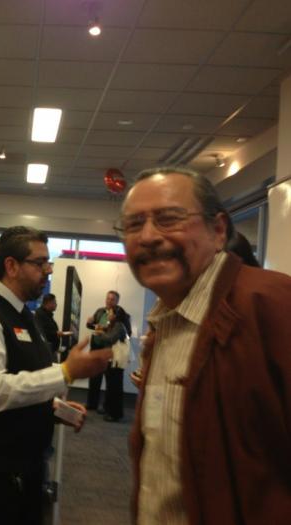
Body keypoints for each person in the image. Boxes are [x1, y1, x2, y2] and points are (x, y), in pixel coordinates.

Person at [117, 166, 291, 524]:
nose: (148, 236)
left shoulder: (274, 306)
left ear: (218, 230)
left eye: (168, 219)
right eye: (133, 225)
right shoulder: (166, 322)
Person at [0, 226, 113, 525]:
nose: (48, 270)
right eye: (40, 263)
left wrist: (54, 408)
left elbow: (23, 378)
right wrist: (66, 371)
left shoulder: (25, 316)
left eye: (48, 262)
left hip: (23, 470)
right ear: (11, 266)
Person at [85, 290, 131, 412]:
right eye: (108, 298)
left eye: (112, 299)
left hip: (109, 351)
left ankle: (107, 407)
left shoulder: (121, 315)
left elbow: (127, 333)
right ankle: (92, 404)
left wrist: (105, 331)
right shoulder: (100, 311)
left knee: (111, 381)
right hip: (96, 348)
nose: (109, 301)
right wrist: (89, 323)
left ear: (117, 301)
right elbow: (92, 326)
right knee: (94, 378)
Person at [90, 307, 129, 422]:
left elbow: (111, 339)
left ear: (115, 316)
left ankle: (114, 414)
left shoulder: (119, 326)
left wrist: (101, 333)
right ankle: (109, 409)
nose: (108, 314)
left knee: (114, 388)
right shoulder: (115, 325)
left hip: (116, 361)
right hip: (112, 360)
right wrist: (103, 330)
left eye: (110, 313)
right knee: (111, 386)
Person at [33, 293, 70, 360]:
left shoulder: (47, 315)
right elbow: (41, 332)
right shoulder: (40, 314)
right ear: (48, 303)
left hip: (52, 350)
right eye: (54, 302)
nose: (56, 304)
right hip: (46, 350)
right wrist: (56, 334)